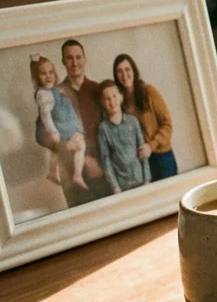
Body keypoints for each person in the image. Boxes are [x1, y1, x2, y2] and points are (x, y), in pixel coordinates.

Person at [35, 39, 105, 206]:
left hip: (100, 170)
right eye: (69, 58)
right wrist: (62, 144)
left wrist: (99, 162)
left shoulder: (97, 90)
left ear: (84, 59)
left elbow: (110, 128)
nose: (74, 63)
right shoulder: (54, 92)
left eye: (78, 57)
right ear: (63, 61)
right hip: (71, 170)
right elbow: (40, 132)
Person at [113, 54, 178, 181]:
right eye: (119, 71)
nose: (124, 75)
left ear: (134, 71)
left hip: (162, 158)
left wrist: (151, 146)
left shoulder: (148, 91)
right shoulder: (119, 102)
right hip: (140, 163)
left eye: (127, 69)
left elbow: (167, 124)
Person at [30, 54, 86, 193]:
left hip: (69, 125)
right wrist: (53, 131)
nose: (48, 76)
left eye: (51, 72)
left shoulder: (55, 89)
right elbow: (46, 116)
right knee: (59, 148)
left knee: (81, 144)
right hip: (59, 127)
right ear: (37, 77)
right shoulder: (43, 94)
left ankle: (77, 175)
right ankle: (54, 171)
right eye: (43, 74)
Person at [95, 80, 149, 194]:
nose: (112, 102)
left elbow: (142, 151)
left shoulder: (133, 122)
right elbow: (106, 160)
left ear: (121, 97)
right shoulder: (103, 129)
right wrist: (115, 187)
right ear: (102, 103)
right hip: (122, 185)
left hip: (140, 179)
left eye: (114, 96)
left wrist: (147, 179)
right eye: (107, 99)